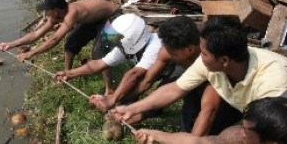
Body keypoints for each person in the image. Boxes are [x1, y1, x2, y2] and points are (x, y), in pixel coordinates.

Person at [111, 17, 287, 126]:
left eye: (203, 53)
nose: (199, 57)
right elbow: (174, 89)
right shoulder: (212, 61)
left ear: (224, 60)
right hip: (242, 107)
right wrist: (131, 108)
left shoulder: (273, 84)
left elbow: (259, 132)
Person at [92, 16, 241, 135]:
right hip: (195, 81)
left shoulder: (212, 63)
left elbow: (209, 110)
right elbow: (149, 84)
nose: (168, 55)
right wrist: (122, 104)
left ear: (190, 50)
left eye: (173, 53)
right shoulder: (170, 52)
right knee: (186, 121)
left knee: (207, 129)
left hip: (233, 97)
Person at [0, 0, 121, 88]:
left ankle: (109, 90)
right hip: (94, 19)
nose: (45, 12)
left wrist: (31, 53)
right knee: (70, 44)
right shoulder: (56, 15)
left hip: (114, 18)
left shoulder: (71, 13)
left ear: (56, 10)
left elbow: (55, 39)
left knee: (99, 53)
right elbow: (35, 34)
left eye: (47, 10)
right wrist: (10, 44)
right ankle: (67, 74)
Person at [53, 13, 161, 96]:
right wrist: (68, 73)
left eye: (118, 41)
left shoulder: (154, 49)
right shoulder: (128, 46)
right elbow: (99, 64)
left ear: (131, 41)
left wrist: (113, 99)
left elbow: (135, 76)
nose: (116, 47)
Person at [133, 96, 287, 144]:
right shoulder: (237, 138)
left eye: (246, 131)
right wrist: (156, 135)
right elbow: (197, 142)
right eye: (243, 126)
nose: (241, 132)